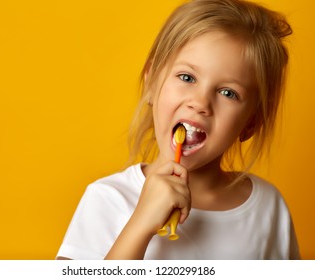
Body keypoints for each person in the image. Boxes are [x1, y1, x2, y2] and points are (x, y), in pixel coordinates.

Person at [56, 0, 300, 260]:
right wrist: (140, 225)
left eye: (228, 92)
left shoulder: (267, 208)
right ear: (151, 83)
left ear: (251, 122)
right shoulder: (108, 199)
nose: (200, 103)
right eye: (187, 77)